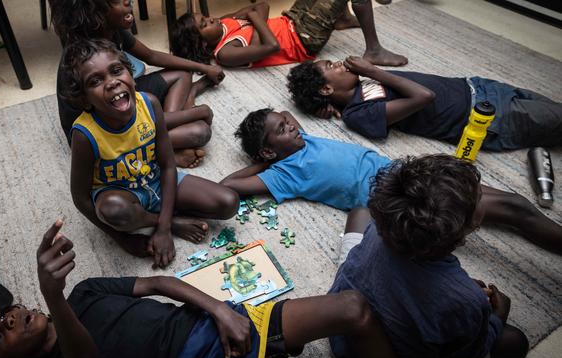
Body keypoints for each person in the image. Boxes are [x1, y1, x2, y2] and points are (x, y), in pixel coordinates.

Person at [0, 219, 402, 358]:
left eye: (1, 315)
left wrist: (219, 308)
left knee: (354, 308)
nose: (9, 320)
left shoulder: (84, 293)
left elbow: (159, 282)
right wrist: (52, 298)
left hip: (210, 327)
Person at [221, 108, 562, 254]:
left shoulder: (303, 138)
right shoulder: (283, 174)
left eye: (286, 122)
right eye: (281, 129)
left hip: (407, 169)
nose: (290, 125)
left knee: (512, 205)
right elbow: (229, 183)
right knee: (511, 209)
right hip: (398, 194)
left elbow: (286, 114)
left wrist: (276, 133)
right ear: (267, 152)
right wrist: (261, 163)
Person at [329, 155, 531, 358]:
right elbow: (471, 353)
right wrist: (497, 317)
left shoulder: (381, 226)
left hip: (339, 329)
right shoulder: (468, 301)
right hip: (377, 357)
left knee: (361, 214)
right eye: (479, 198)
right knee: (516, 342)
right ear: (461, 237)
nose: (484, 198)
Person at [61, 39, 239, 268]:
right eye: (95, 81)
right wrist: (124, 238)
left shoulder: (150, 104)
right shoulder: (85, 134)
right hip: (122, 193)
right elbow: (81, 198)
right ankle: (169, 218)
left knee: (228, 202)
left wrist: (162, 228)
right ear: (84, 98)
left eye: (117, 71)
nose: (112, 83)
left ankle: (159, 215)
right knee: (114, 210)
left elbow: (167, 165)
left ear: (130, 74)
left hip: (154, 179)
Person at [50, 0, 226, 168]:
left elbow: (151, 56)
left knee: (183, 74)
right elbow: (108, 116)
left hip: (115, 103)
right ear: (96, 15)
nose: (128, 2)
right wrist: (199, 112)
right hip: (100, 131)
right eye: (117, 1)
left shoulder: (111, 29)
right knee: (199, 131)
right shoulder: (84, 55)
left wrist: (204, 67)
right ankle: (161, 150)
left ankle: (163, 132)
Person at [287, 56, 562, 150]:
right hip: (489, 117)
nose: (339, 63)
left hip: (479, 86)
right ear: (326, 88)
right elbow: (423, 97)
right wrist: (372, 71)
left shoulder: (357, 86)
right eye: (331, 66)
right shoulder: (358, 113)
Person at [170, 0, 407, 69]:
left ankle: (341, 18)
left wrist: (256, 20)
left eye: (205, 17)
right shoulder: (226, 52)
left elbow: (261, 5)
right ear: (201, 43)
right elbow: (272, 46)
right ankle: (374, 50)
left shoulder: (223, 23)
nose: (212, 18)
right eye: (204, 24)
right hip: (303, 39)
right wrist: (252, 19)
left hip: (291, 18)